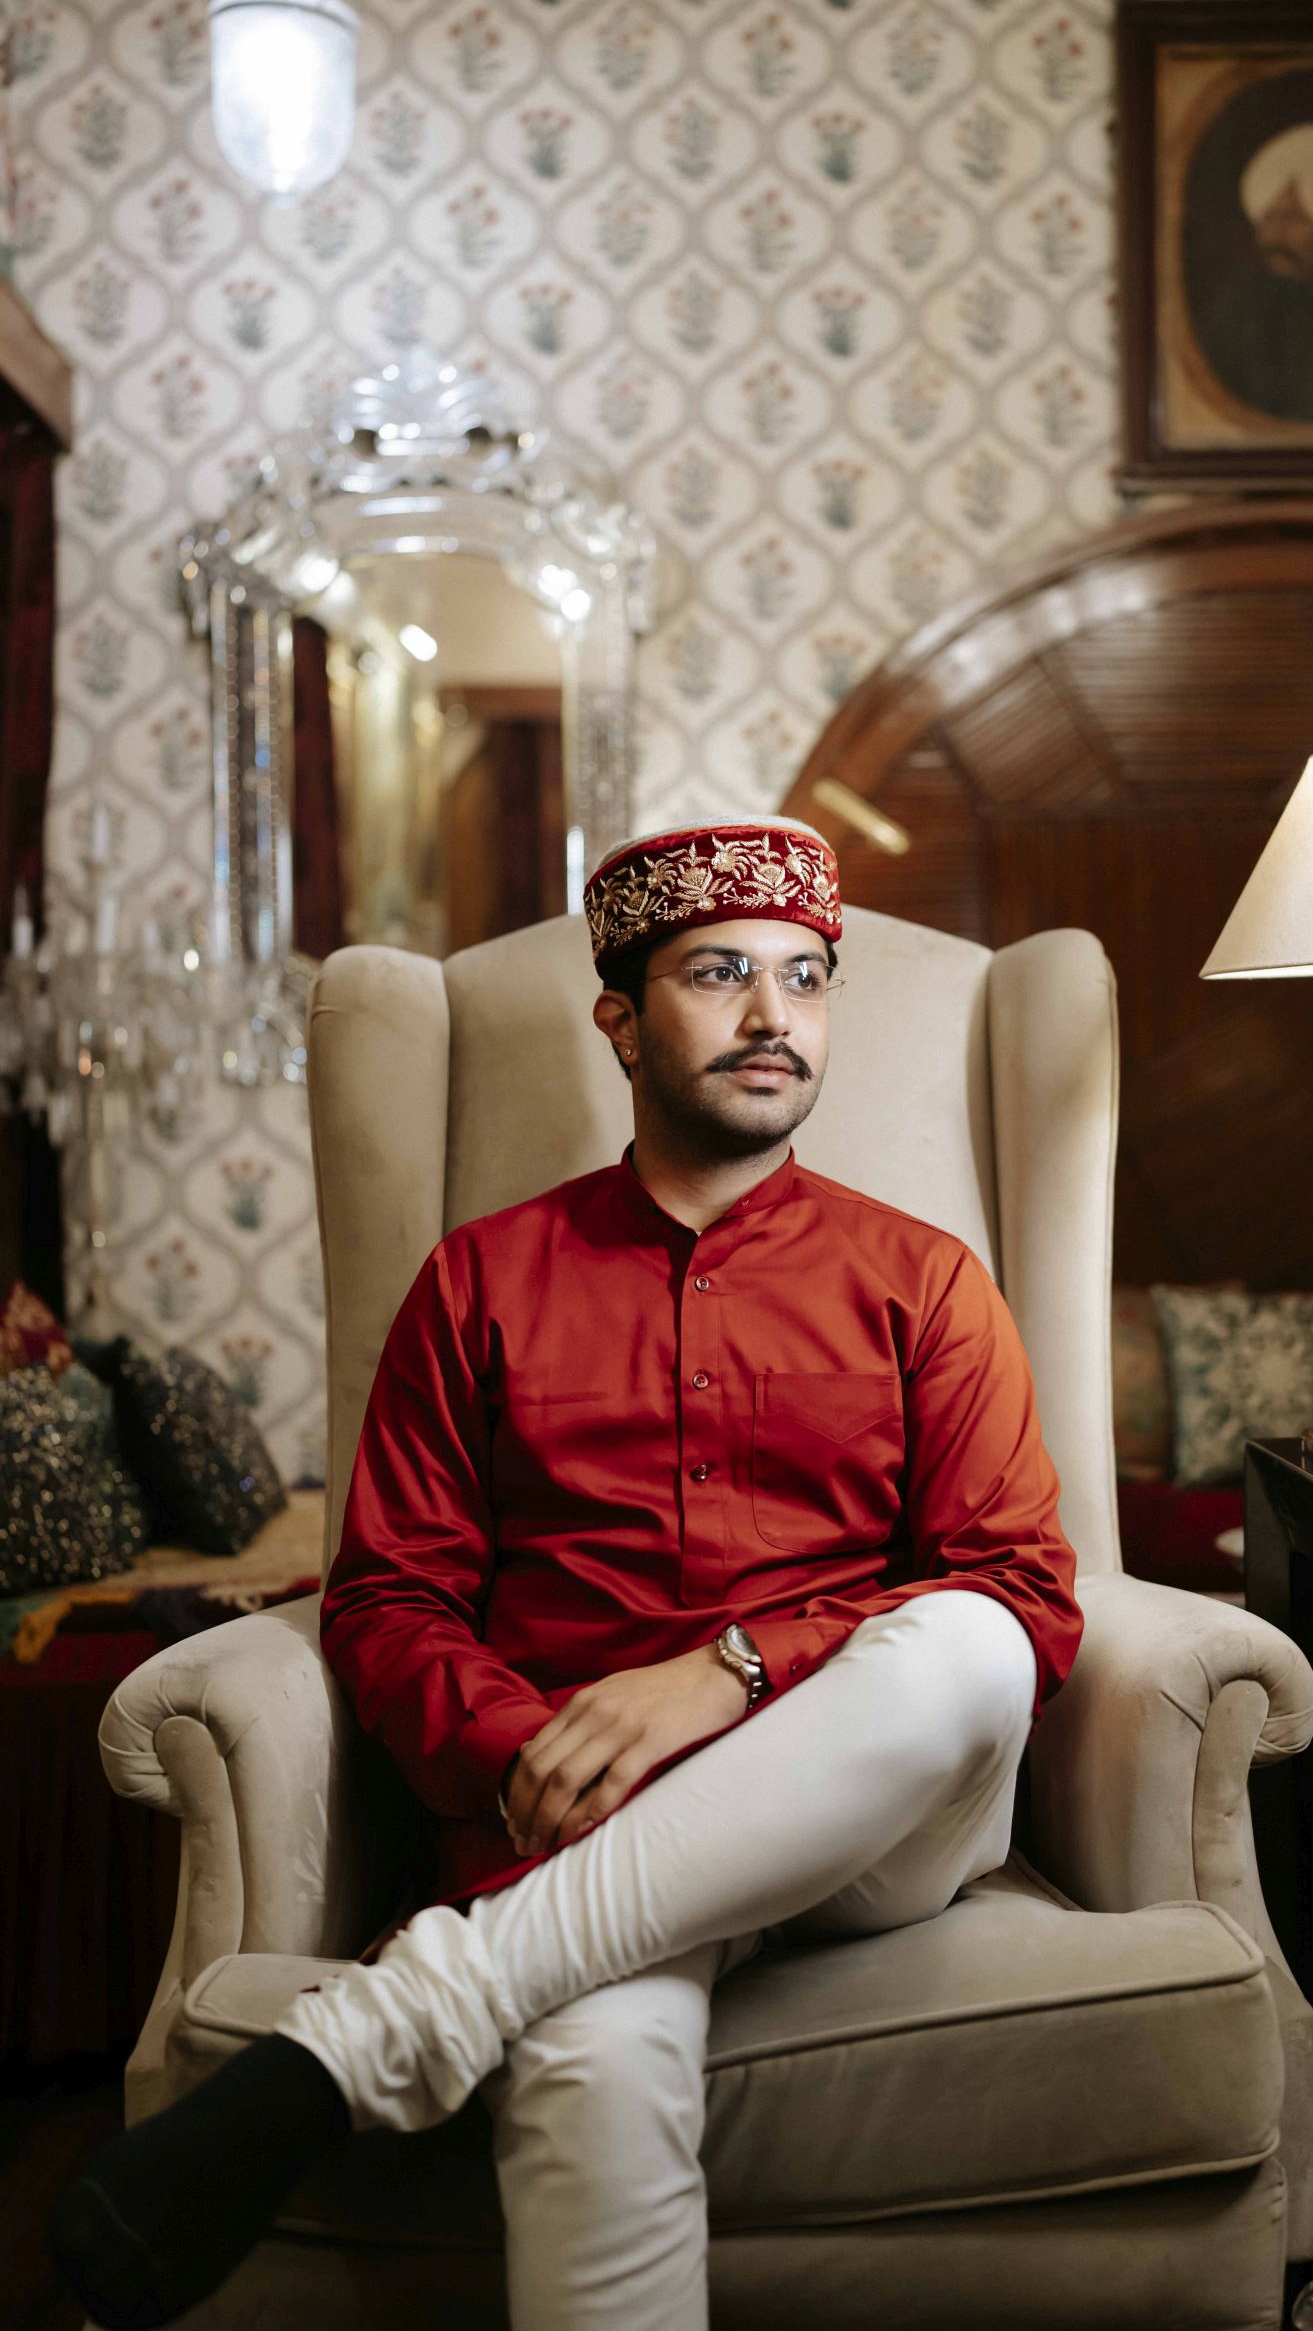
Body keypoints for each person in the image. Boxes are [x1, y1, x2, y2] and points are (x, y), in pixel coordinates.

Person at [52, 813, 1084, 2331]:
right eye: (719, 974)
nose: (770, 1018)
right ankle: (489, 1994)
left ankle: (408, 2017)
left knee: (970, 1648)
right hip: (573, 1815)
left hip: (878, 1826)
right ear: (621, 1017)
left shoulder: (925, 1277)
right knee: (594, 2066)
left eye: (805, 980)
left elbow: (1023, 1593)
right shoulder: (479, 1282)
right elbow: (387, 1596)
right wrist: (527, 1747)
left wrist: (729, 1674)